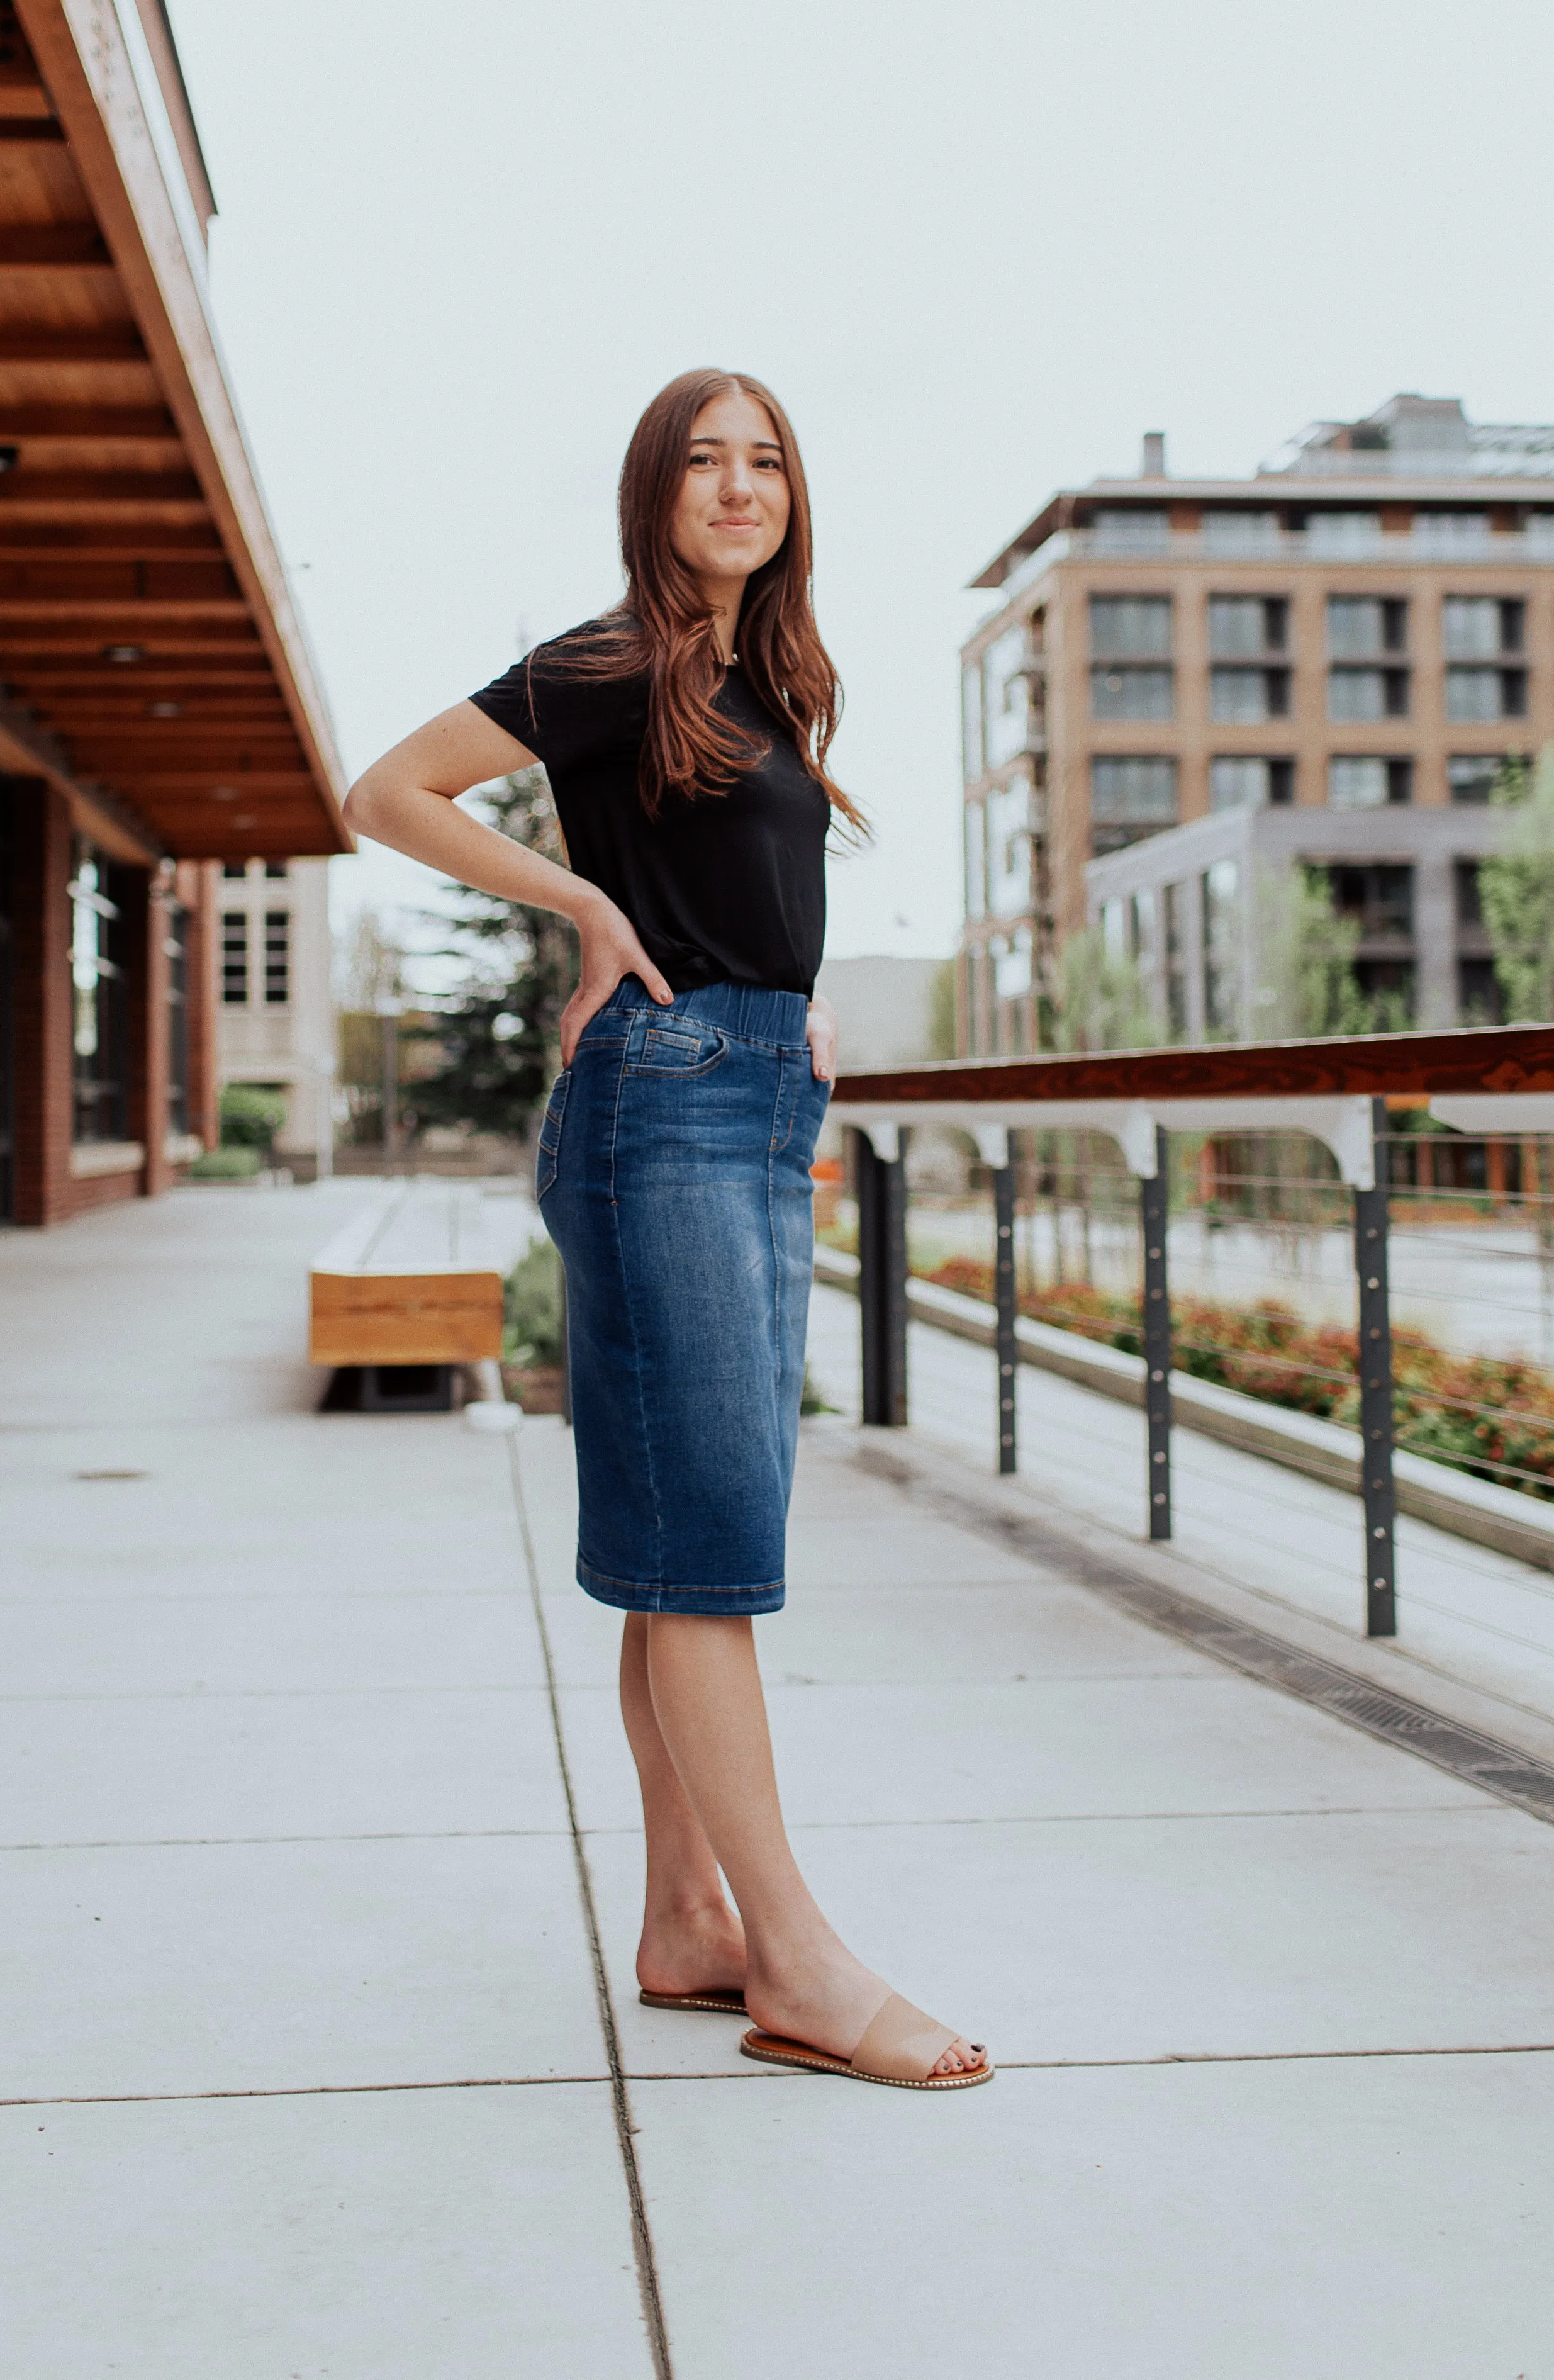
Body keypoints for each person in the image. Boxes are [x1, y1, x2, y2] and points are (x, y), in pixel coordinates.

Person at [345, 367, 988, 2092]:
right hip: (667, 1096)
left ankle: (686, 1919)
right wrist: (580, 905)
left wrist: (804, 1006)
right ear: (654, 492)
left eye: (765, 459)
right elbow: (385, 789)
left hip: (747, 1087)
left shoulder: (768, 679)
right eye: (703, 461)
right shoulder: (609, 656)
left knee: (673, 1539)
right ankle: (793, 1956)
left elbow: (747, 886)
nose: (738, 484)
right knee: (709, 1548)